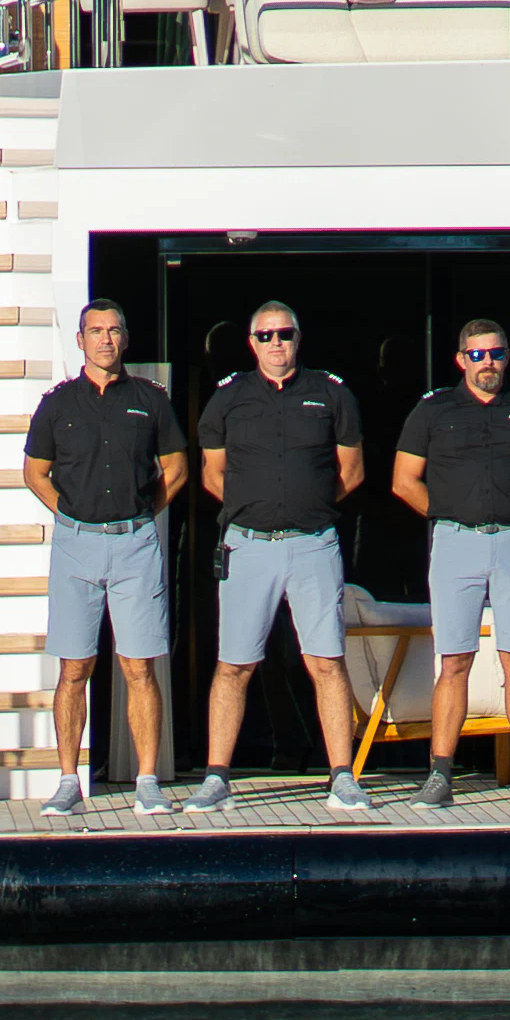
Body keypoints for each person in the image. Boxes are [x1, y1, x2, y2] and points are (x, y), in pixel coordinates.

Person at [185, 295, 374, 814]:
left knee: (327, 662)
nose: (275, 344)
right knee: (234, 664)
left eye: (284, 334)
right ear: (251, 343)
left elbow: (351, 471)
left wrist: (305, 504)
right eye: (265, 336)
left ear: (298, 338)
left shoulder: (331, 394)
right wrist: (259, 506)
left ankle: (342, 777)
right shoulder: (229, 398)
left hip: (314, 545)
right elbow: (212, 474)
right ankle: (216, 777)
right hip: (249, 547)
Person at [387, 313, 510, 807]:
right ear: (460, 359)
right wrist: (451, 515)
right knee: (454, 660)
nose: (487, 362)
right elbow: (404, 480)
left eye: (495, 353)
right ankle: (440, 775)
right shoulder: (434, 410)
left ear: (507, 356)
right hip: (455, 543)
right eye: (477, 354)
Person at [19, 299, 188, 818]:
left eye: (115, 331)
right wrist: (72, 516)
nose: (106, 341)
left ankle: (146, 782)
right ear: (80, 341)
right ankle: (69, 781)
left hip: (135, 542)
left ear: (125, 339)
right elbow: (34, 472)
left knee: (140, 665)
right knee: (75, 667)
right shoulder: (58, 404)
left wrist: (140, 515)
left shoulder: (150, 400)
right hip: (76, 544)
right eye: (96, 332)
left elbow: (176, 468)